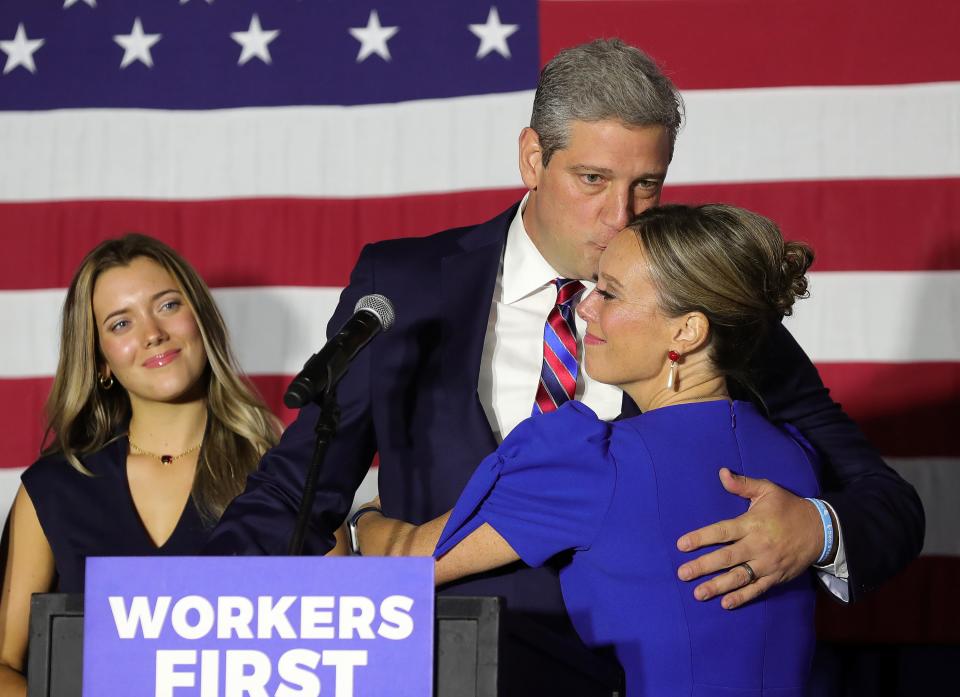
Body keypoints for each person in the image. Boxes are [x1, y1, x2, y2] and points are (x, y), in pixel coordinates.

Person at [208, 39, 923, 695]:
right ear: (532, 157)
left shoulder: (707, 309)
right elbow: (296, 489)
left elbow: (884, 499)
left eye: (648, 184)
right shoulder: (404, 287)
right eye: (592, 178)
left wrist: (818, 530)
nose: (621, 214)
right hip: (444, 669)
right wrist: (190, 610)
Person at [355, 203, 822, 696]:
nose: (585, 307)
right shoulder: (795, 457)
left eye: (611, 294)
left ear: (686, 331)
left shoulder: (591, 462)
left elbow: (406, 563)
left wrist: (361, 517)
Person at [0, 234, 281, 695]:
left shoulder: (279, 474)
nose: (152, 333)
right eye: (120, 323)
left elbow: (344, 644)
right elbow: (4, 665)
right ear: (101, 360)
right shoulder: (52, 489)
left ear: (201, 320)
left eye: (167, 305)